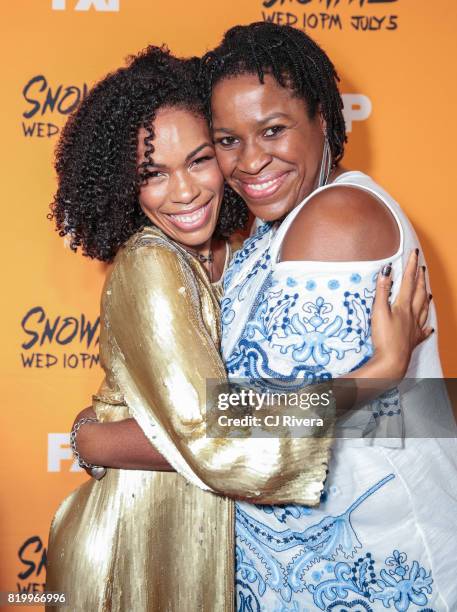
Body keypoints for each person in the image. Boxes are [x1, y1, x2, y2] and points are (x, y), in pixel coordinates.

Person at [196, 22, 457, 611]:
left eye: (273, 130)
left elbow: (251, 423)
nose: (250, 160)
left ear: (323, 118)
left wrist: (99, 440)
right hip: (302, 571)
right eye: (227, 140)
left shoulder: (335, 217)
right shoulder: (272, 227)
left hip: (379, 565)